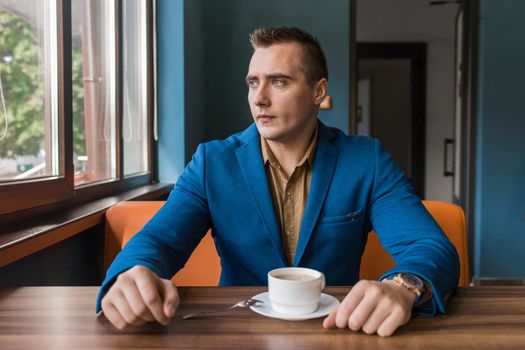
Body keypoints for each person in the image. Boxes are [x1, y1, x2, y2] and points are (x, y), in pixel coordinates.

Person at [97, 27, 459, 337]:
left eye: (279, 82)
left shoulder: (366, 160)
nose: (259, 97)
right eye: (253, 82)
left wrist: (403, 287)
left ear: (318, 92)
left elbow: (429, 247)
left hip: (335, 332)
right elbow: (158, 240)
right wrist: (131, 274)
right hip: (238, 333)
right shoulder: (212, 162)